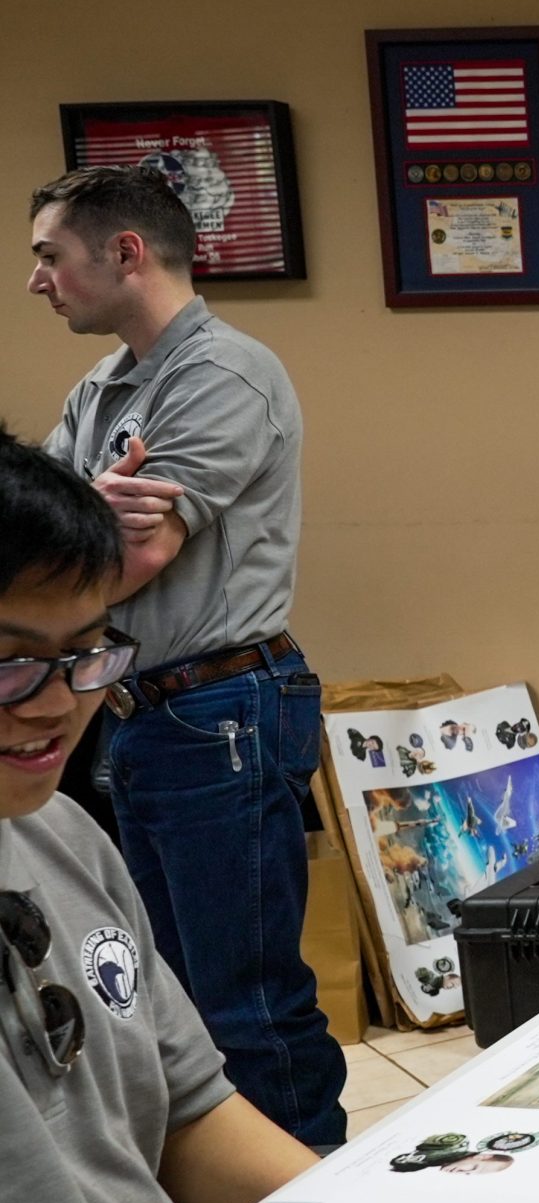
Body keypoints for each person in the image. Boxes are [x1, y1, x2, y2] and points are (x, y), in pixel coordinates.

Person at [27, 166, 346, 1145]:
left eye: (50, 255)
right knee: (168, 1000)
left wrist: (82, 523)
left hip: (220, 712)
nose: (38, 280)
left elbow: (126, 563)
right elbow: (32, 546)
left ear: (126, 252)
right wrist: (86, 512)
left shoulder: (223, 374)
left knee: (247, 1003)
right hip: (139, 712)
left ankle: (309, 1194)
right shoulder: (104, 386)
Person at [0, 431, 320, 1203]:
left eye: (86, 654)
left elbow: (189, 1113)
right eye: (10, 664)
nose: (55, 704)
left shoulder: (63, 837)